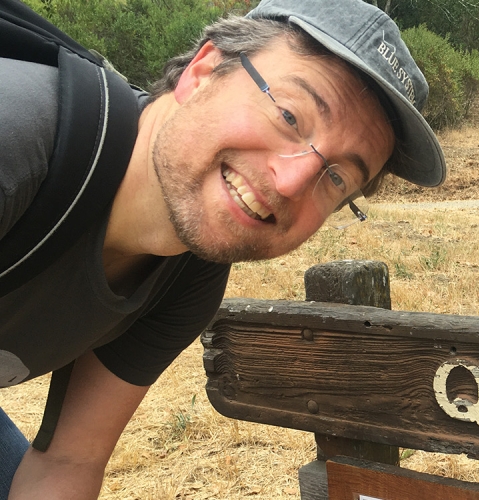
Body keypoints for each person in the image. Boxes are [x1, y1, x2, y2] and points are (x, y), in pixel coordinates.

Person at [0, 0, 445, 497]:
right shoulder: (14, 142)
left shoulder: (189, 274)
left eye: (336, 177)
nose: (294, 180)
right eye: (289, 115)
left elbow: (68, 460)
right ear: (203, 71)